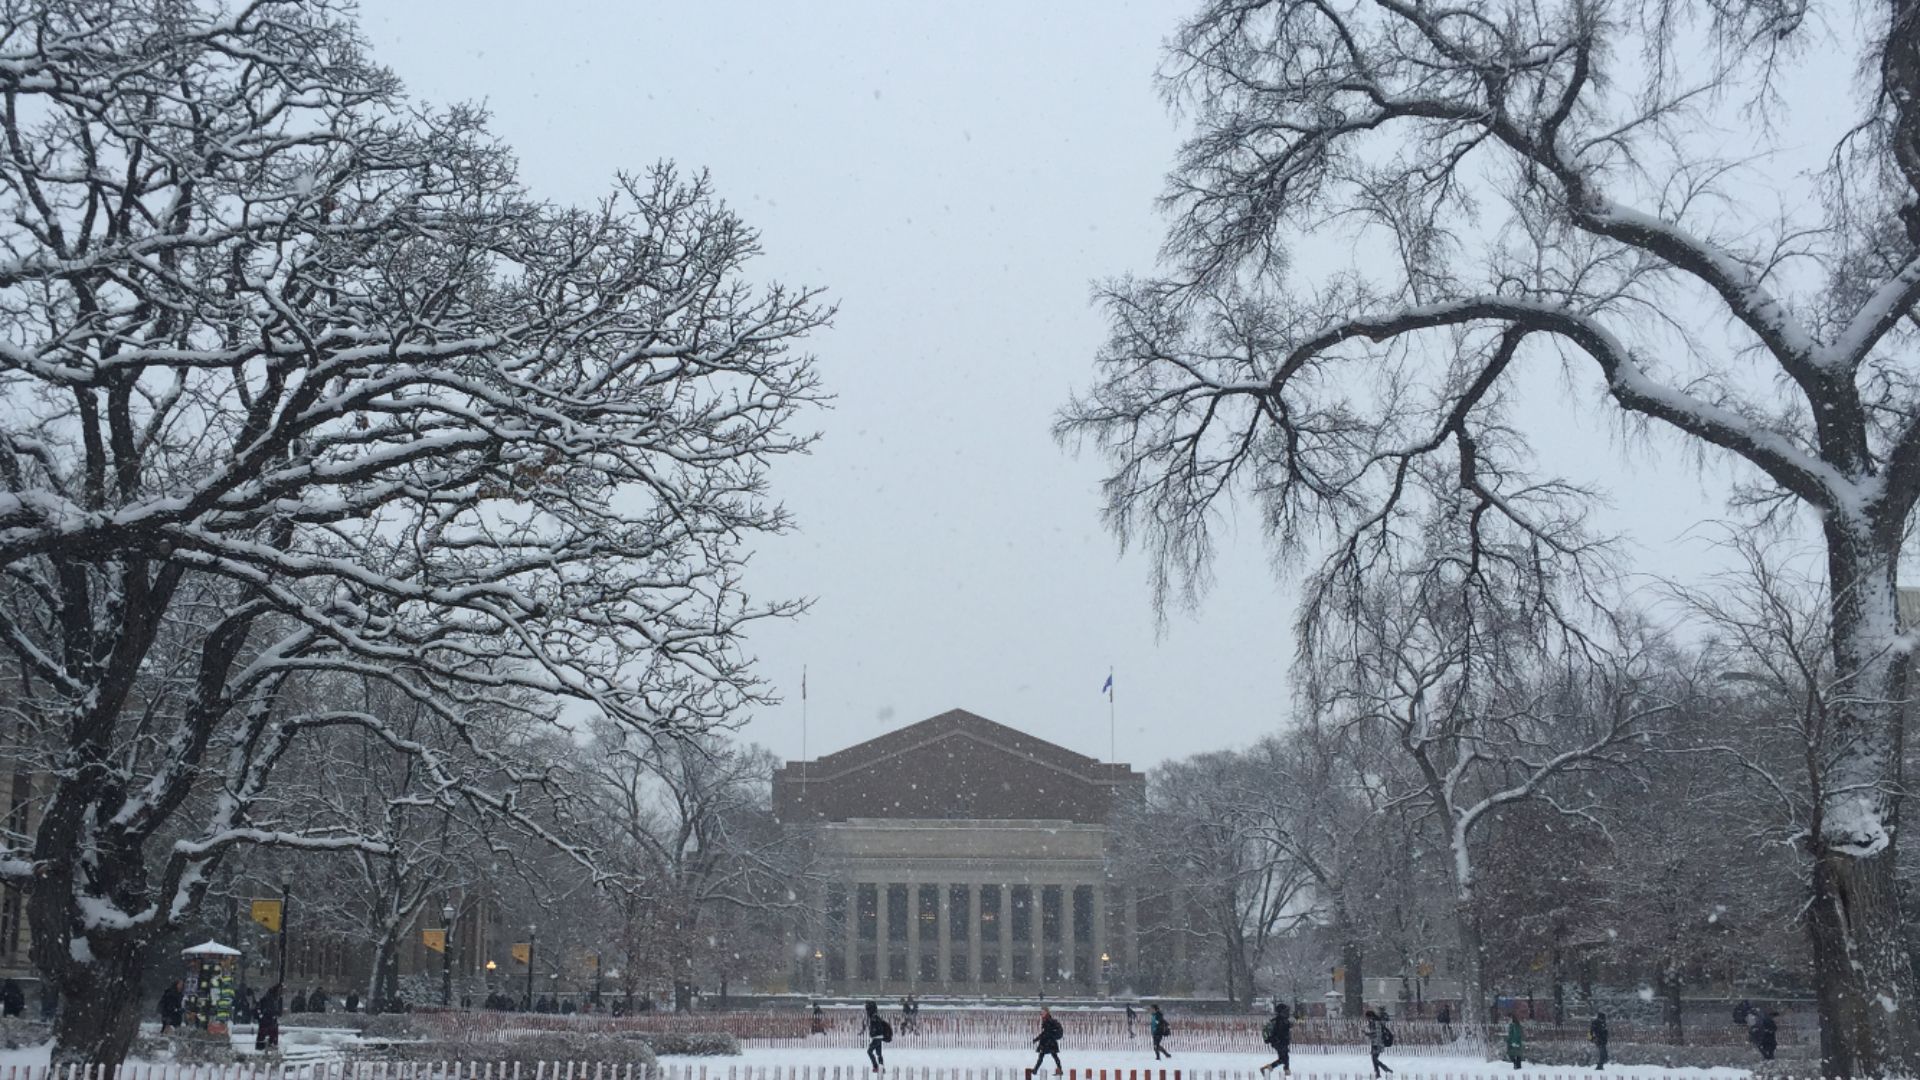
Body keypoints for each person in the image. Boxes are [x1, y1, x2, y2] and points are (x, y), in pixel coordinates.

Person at [1260, 1001, 1293, 1076]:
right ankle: (1267, 1069)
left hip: (1283, 1042)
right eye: (1286, 1011)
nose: (1288, 1013)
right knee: (1283, 1058)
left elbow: (1289, 1027)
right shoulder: (1277, 1021)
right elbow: (1277, 1031)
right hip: (1278, 1042)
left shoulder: (1285, 1020)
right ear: (1281, 1012)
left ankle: (1286, 1070)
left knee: (1285, 1057)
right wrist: (1273, 1039)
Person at [1032, 1005, 1064, 1076]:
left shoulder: (1048, 1021)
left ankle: (1035, 1070)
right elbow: (1045, 1033)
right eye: (1041, 1012)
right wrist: (1037, 1039)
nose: (1041, 1014)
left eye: (1043, 1012)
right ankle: (1035, 1070)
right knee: (1052, 1056)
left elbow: (1045, 1033)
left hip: (1048, 1042)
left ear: (1047, 1013)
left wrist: (1037, 1039)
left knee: (1045, 1056)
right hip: (1049, 1041)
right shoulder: (1047, 1020)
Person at [864, 1000, 892, 1071]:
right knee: (879, 1053)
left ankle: (876, 1066)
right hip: (879, 1037)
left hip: (877, 1037)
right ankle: (881, 1067)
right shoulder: (875, 1016)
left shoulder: (874, 1017)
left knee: (869, 1051)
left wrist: (873, 1032)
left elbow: (878, 1028)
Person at [1365, 1008, 1394, 1078]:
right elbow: (1375, 1033)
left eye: (1367, 1017)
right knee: (1374, 1058)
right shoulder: (1373, 1022)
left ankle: (1385, 1069)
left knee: (1374, 1058)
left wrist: (1368, 1034)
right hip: (1375, 1042)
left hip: (1377, 1043)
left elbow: (1378, 1034)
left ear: (1370, 1016)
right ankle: (1378, 1073)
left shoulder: (1376, 1022)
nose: (1366, 1019)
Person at [254, 983, 282, 1052]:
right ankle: (267, 1047)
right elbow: (269, 1011)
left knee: (265, 1037)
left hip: (267, 1022)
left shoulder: (271, 998)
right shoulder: (270, 999)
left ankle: (266, 1047)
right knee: (267, 1038)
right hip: (267, 1023)